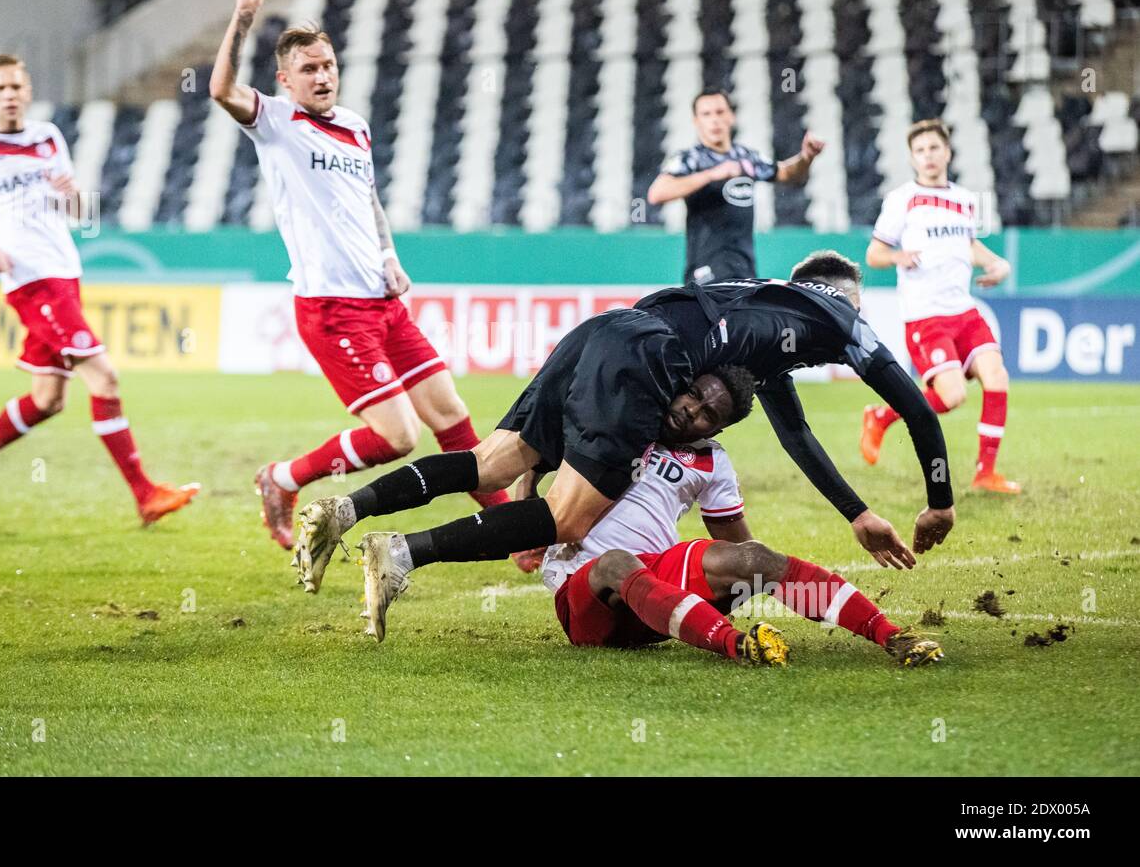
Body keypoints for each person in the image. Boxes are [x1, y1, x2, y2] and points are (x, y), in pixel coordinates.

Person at [298, 252, 956, 640]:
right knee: (564, 519)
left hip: (608, 330)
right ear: (842, 298)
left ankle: (345, 511)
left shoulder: (765, 319)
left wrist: (857, 513)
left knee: (490, 462)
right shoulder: (841, 318)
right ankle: (401, 557)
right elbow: (918, 411)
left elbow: (795, 432)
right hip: (648, 356)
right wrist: (940, 501)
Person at [208, 0, 507, 549]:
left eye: (328, 66)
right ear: (285, 81)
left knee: (451, 415)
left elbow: (368, 200)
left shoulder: (355, 127)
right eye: (309, 70)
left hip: (383, 301)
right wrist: (243, 17)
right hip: (332, 308)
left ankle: (514, 535)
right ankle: (282, 478)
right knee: (397, 437)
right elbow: (220, 89)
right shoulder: (275, 122)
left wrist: (390, 257)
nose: (323, 78)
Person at [0, 54, 199, 526]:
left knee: (47, 399)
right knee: (105, 377)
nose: (9, 95)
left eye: (16, 86)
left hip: (64, 273)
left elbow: (79, 212)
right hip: (29, 280)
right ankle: (144, 494)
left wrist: (73, 192)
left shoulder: (48, 137)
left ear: (28, 91)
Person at [540, 370, 941, 668]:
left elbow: (741, 550)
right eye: (693, 394)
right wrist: (536, 515)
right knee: (614, 560)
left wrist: (758, 572)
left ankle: (891, 636)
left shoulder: (711, 461)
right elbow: (537, 449)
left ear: (720, 427)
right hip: (586, 594)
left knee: (755, 559)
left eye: (707, 414)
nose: (690, 410)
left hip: (655, 587)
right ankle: (740, 645)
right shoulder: (620, 419)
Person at [861, 119, 1019, 494]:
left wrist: (997, 263)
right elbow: (874, 254)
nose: (928, 156)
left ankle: (986, 474)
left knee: (997, 378)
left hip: (963, 309)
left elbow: (969, 244)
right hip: (925, 314)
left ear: (947, 152)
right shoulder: (902, 198)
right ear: (913, 158)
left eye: (934, 148)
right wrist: (899, 256)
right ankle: (881, 416)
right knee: (953, 396)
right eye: (920, 151)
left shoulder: (965, 199)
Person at [647, 89, 825, 284]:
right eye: (706, 114)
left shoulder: (746, 158)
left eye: (720, 112)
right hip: (705, 271)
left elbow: (788, 175)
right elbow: (657, 193)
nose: (714, 119)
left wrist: (806, 158)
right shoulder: (690, 159)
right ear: (696, 121)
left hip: (744, 269)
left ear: (731, 116)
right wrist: (711, 174)